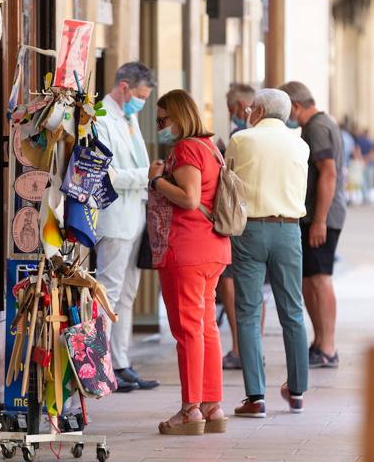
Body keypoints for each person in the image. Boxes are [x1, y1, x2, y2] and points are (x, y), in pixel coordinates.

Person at [147, 89, 231, 435]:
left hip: (186, 251)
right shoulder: (210, 147)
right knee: (207, 326)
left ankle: (190, 409)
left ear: (180, 117)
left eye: (163, 119)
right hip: (212, 248)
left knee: (187, 331)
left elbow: (190, 197)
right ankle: (212, 406)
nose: (160, 125)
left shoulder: (186, 148)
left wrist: (156, 180)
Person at [225, 88, 311, 418]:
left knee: (247, 311)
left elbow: (228, 178)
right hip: (289, 230)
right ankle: (298, 390)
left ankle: (256, 397)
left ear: (258, 110)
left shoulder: (242, 139)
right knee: (292, 310)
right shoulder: (300, 144)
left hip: (250, 229)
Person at [96, 61, 160, 393]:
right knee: (108, 291)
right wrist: (145, 176)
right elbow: (106, 174)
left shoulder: (129, 117)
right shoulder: (100, 118)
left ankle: (121, 361)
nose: (142, 104)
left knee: (128, 293)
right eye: (139, 96)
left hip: (135, 214)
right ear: (123, 87)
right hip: (115, 217)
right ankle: (103, 365)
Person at [281, 81, 346, 369]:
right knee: (310, 280)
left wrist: (319, 220)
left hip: (323, 215)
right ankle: (320, 343)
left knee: (320, 279)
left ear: (295, 105)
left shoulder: (317, 127)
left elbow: (328, 174)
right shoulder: (319, 125)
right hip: (315, 214)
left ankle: (328, 347)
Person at [219, 84, 260, 370]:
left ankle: (239, 347)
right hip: (264, 218)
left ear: (242, 105)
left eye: (231, 108)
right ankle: (251, 347)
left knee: (232, 283)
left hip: (239, 217)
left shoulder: (241, 137)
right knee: (258, 289)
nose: (231, 114)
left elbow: (229, 175)